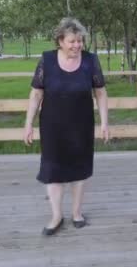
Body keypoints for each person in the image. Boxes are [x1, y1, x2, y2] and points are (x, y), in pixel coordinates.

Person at [23, 17, 110, 236]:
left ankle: (77, 213)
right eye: (72, 41)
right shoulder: (47, 60)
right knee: (52, 169)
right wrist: (28, 124)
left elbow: (100, 92)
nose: (77, 46)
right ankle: (56, 216)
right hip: (52, 125)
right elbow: (36, 93)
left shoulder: (90, 61)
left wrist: (105, 122)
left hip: (81, 124)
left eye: (79, 41)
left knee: (80, 169)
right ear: (60, 41)